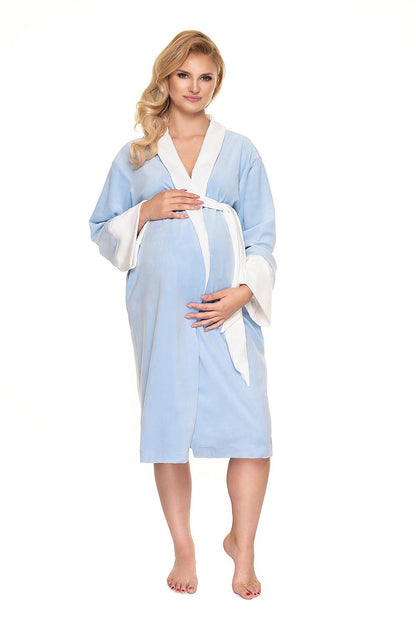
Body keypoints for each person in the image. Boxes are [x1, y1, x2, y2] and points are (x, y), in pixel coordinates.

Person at [89, 30, 277, 600]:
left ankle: (243, 547)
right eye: (184, 75)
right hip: (163, 313)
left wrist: (244, 292)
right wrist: (146, 209)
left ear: (217, 83)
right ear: (166, 78)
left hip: (226, 312)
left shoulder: (240, 150)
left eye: (206, 77)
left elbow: (263, 233)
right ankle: (184, 547)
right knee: (169, 428)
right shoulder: (137, 155)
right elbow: (102, 229)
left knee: (252, 432)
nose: (195, 87)